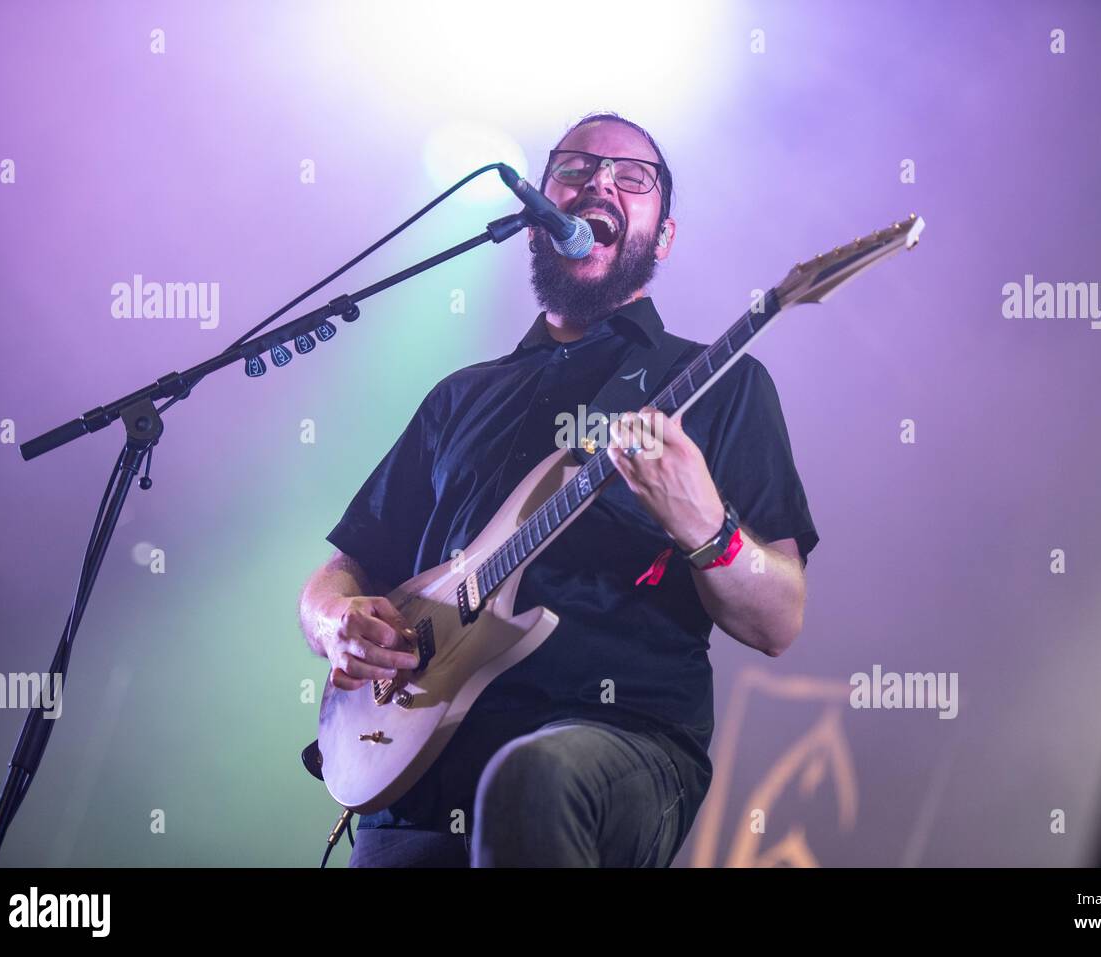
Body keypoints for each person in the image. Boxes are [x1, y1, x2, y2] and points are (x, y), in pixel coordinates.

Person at [299, 112, 818, 867]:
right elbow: (343, 566)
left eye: (632, 176)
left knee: (534, 775)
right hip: (413, 763)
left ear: (663, 237)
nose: (599, 180)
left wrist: (708, 526)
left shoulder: (717, 385)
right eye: (575, 168)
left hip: (617, 742)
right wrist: (333, 621)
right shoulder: (460, 396)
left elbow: (779, 620)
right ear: (537, 214)